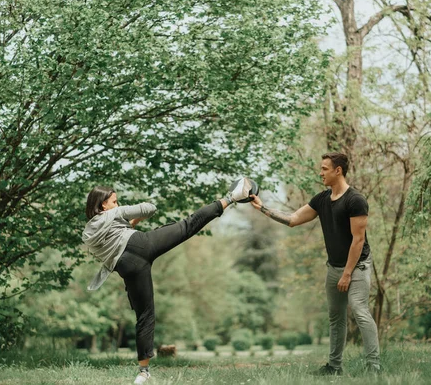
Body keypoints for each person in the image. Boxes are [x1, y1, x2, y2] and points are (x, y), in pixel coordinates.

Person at [82, 178, 253, 384]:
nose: (117, 205)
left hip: (127, 267)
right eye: (115, 201)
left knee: (144, 316)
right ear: (103, 204)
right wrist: (126, 214)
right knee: (187, 225)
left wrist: (127, 225)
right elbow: (149, 208)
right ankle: (231, 197)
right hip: (141, 246)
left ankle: (143, 372)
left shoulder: (88, 234)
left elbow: (115, 245)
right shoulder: (112, 214)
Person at [250, 152, 380, 374]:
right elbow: (292, 219)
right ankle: (334, 367)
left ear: (338, 171)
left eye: (324, 169)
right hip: (334, 267)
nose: (320, 173)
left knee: (359, 310)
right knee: (335, 317)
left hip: (357, 267)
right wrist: (262, 208)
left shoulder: (355, 200)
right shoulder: (321, 200)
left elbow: (358, 241)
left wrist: (347, 274)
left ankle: (374, 367)